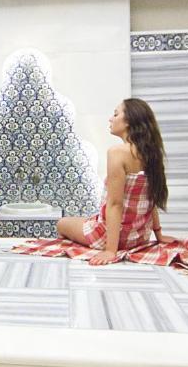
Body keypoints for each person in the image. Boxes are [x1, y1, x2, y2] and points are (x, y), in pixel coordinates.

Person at [56, 98, 178, 266]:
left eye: (115, 114)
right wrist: (159, 235)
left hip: (109, 238)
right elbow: (151, 200)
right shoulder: (152, 153)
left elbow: (115, 204)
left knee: (61, 223)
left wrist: (110, 251)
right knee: (87, 220)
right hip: (139, 238)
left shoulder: (117, 153)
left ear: (129, 121)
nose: (110, 119)